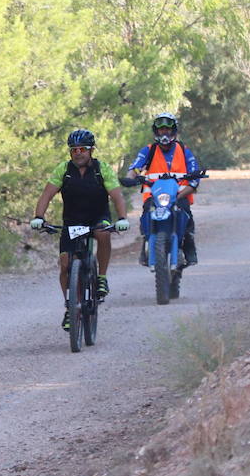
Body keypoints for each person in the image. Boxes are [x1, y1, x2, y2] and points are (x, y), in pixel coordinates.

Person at [29, 129, 131, 330]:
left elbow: (117, 196)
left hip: (97, 218)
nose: (78, 153)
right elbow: (46, 195)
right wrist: (39, 217)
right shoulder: (63, 170)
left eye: (82, 149)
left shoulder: (102, 169)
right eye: (74, 150)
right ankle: (70, 307)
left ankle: (101, 278)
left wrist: (122, 218)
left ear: (91, 150)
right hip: (72, 221)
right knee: (65, 264)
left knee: (103, 233)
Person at [126, 112, 201, 266]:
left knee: (186, 215)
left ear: (173, 130)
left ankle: (189, 246)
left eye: (167, 129)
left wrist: (194, 180)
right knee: (146, 214)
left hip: (179, 194)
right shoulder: (148, 150)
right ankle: (146, 243)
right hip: (154, 195)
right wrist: (130, 178)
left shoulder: (184, 150)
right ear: (156, 131)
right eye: (161, 130)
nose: (164, 133)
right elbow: (135, 167)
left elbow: (194, 171)